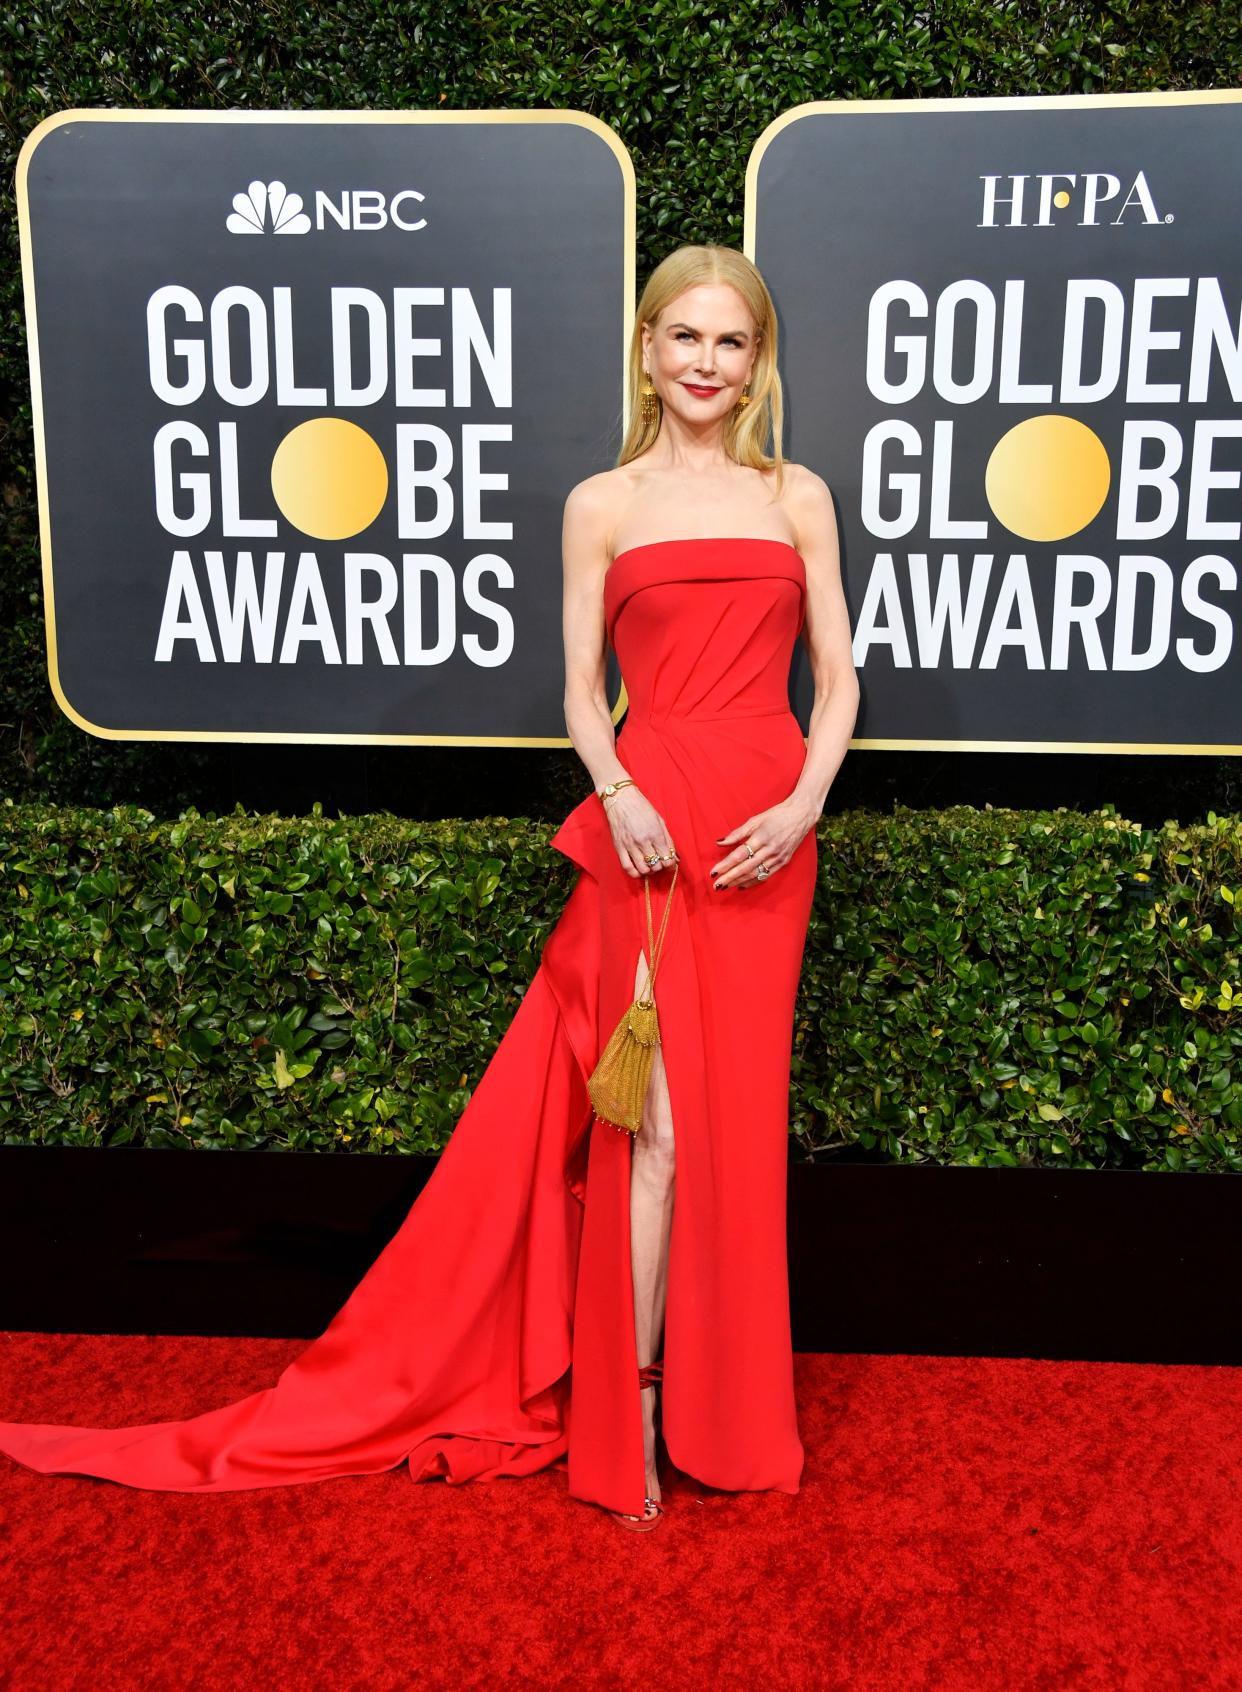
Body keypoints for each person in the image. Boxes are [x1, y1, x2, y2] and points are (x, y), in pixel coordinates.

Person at [0, 243, 859, 1532]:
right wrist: (617, 791)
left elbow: (838, 679)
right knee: (662, 1130)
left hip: (766, 840)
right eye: (683, 337)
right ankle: (626, 1400)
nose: (705, 362)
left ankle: (727, 1411)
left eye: (730, 343)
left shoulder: (798, 496)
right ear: (645, 349)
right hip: (652, 829)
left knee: (736, 1129)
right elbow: (578, 688)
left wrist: (801, 809)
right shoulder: (600, 504)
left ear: (758, 362)